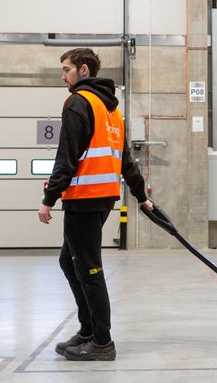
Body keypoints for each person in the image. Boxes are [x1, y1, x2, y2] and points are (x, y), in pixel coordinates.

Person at [38, 48, 153, 361]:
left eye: (66, 70)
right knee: (69, 261)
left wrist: (49, 199)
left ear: (83, 70)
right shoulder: (112, 110)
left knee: (89, 270)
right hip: (102, 198)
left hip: (84, 199)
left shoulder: (78, 102)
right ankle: (88, 329)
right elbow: (126, 161)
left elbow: (67, 156)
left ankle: (102, 341)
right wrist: (141, 195)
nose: (63, 76)